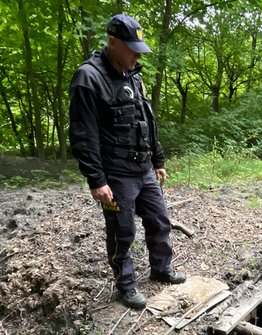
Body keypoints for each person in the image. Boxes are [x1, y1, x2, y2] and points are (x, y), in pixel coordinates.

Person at [68, 13, 185, 309]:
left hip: (144, 169)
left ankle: (161, 268)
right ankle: (127, 285)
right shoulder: (89, 78)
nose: (137, 55)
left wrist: (158, 159)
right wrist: (96, 179)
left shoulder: (134, 74)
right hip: (115, 175)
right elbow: (84, 134)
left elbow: (146, 120)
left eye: (139, 49)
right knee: (122, 231)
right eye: (131, 48)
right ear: (112, 42)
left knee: (159, 220)